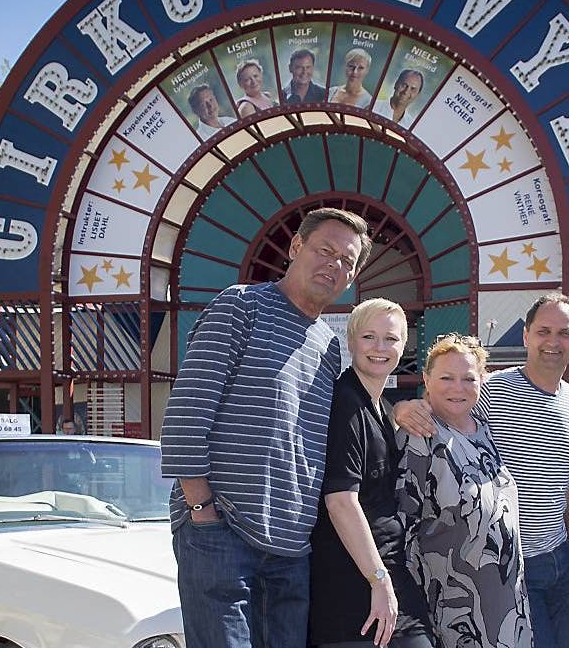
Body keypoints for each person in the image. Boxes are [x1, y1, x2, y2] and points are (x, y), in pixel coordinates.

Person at [160, 207, 372, 648]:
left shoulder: (328, 346)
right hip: (222, 534)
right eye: (325, 250)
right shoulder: (241, 306)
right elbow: (185, 416)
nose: (334, 265)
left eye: (346, 261)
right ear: (296, 247)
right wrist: (201, 510)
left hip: (291, 550)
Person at [395, 294, 569, 648]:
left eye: (564, 332)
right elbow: (442, 407)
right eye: (544, 331)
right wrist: (402, 409)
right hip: (511, 569)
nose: (553, 341)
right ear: (526, 335)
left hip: (563, 560)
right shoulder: (490, 390)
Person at [309, 299, 433, 648]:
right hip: (352, 587)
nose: (380, 348)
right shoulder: (346, 403)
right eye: (369, 337)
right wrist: (378, 580)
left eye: (391, 339)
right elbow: (340, 502)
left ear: (403, 346)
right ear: (350, 342)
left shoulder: (376, 405)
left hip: (384, 570)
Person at [398, 334, 532, 648]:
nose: (457, 387)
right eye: (446, 378)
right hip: (455, 610)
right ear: (426, 380)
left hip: (505, 603)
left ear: (482, 380)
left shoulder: (484, 430)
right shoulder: (420, 435)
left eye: (468, 378)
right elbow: (403, 528)